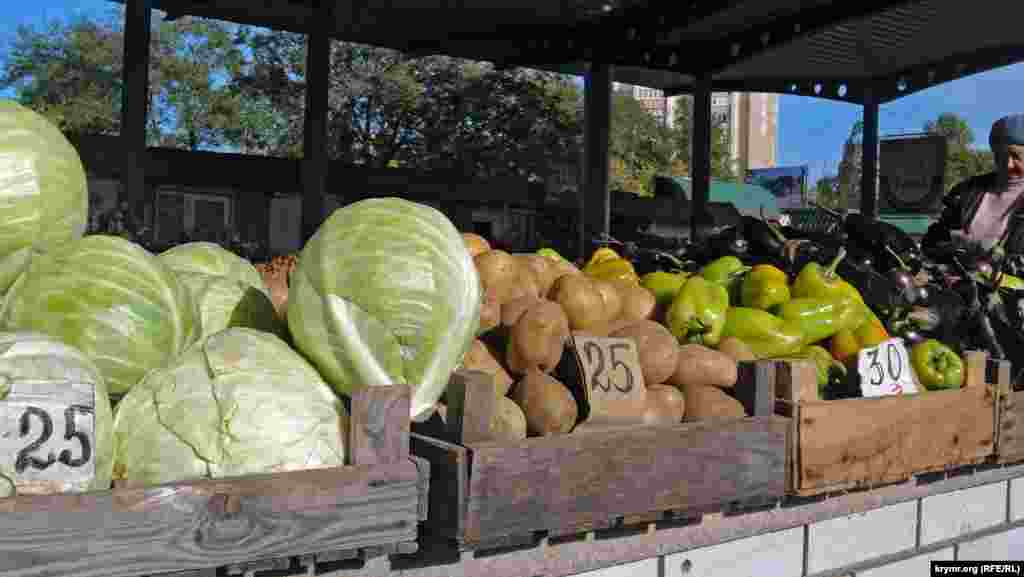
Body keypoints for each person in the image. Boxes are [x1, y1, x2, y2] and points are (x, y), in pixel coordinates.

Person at [922, 114, 1024, 260]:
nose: (1008, 164)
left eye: (1016, 155)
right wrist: (954, 251)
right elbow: (931, 243)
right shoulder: (966, 190)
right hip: (961, 280)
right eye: (1000, 155)